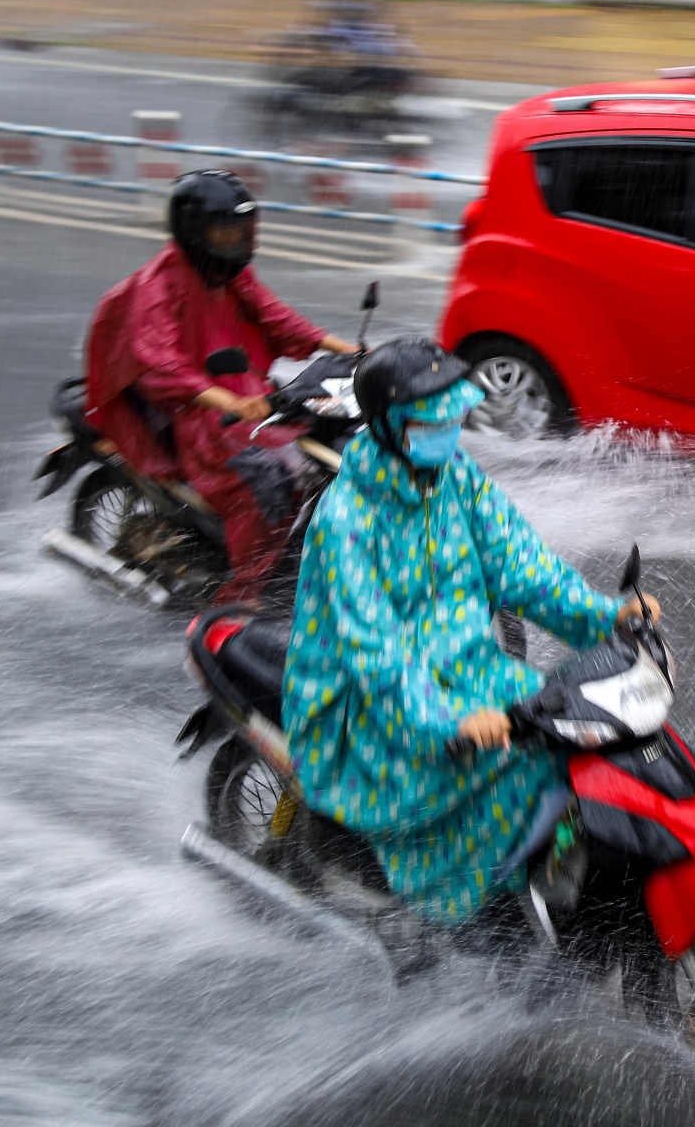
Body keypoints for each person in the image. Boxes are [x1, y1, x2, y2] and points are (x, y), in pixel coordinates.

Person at [280, 339, 658, 927]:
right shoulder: (346, 521)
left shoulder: (456, 476)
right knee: (516, 760)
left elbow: (524, 568)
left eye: (454, 417)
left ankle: (528, 879)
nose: (450, 430)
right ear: (389, 426)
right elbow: (378, 655)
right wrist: (445, 719)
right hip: (371, 705)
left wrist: (605, 616)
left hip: (467, 668)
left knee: (572, 739)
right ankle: (438, 914)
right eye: (435, 422)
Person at [85, 170, 359, 603]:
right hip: (196, 411)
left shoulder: (225, 272)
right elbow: (161, 363)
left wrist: (346, 347)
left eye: (242, 230)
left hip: (245, 394)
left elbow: (274, 314)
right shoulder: (158, 287)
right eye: (225, 230)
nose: (236, 239)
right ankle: (245, 594)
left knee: (328, 445)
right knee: (266, 480)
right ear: (194, 230)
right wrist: (231, 401)